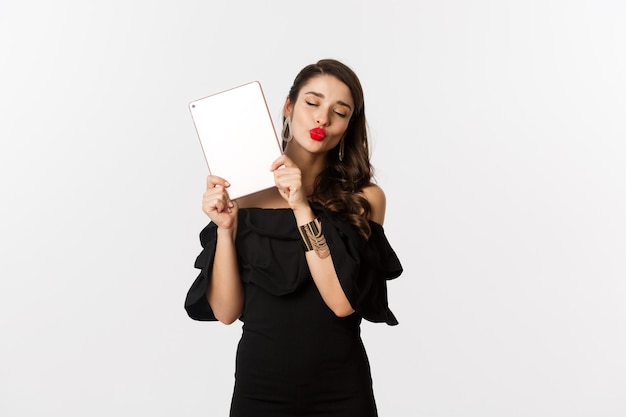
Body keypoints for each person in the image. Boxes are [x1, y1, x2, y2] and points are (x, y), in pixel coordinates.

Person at [185, 59, 403, 417]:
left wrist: (302, 207)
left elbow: (341, 302)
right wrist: (225, 228)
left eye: (340, 112)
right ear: (288, 107)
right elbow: (226, 312)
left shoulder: (365, 198)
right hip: (260, 389)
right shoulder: (242, 191)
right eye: (312, 103)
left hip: (341, 391)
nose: (323, 119)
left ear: (349, 125)